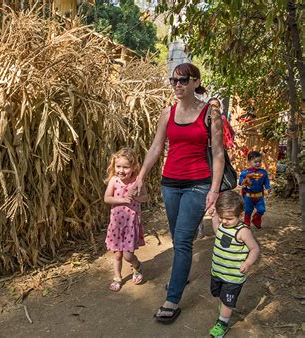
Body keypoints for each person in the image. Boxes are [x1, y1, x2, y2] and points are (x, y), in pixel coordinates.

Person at [134, 63, 225, 323]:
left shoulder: (210, 113)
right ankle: (181, 275)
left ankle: (172, 300)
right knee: (177, 236)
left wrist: (215, 189)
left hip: (198, 183)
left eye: (183, 80)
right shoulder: (168, 112)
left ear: (196, 82)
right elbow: (156, 147)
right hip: (170, 183)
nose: (177, 84)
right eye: (173, 80)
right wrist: (141, 176)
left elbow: (218, 153)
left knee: (183, 240)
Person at [209, 190, 260, 337]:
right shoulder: (223, 224)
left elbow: (255, 248)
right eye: (222, 217)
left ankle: (222, 323)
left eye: (229, 218)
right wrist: (214, 219)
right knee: (217, 293)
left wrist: (248, 263)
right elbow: (218, 232)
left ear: (240, 215)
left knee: (227, 302)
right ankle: (225, 305)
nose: (224, 221)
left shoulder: (243, 231)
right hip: (218, 271)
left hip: (233, 276)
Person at [104, 147, 148, 292]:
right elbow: (107, 198)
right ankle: (117, 277)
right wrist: (122, 199)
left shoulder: (136, 182)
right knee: (117, 254)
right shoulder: (114, 181)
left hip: (130, 224)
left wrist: (136, 197)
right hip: (116, 224)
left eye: (126, 167)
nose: (121, 170)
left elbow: (145, 197)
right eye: (118, 166)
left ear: (133, 167)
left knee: (128, 255)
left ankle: (137, 266)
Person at [239, 151, 270, 228]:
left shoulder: (263, 173)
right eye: (255, 162)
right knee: (248, 211)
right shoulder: (245, 173)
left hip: (259, 196)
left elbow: (266, 181)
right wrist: (246, 181)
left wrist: (268, 187)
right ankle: (247, 223)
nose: (258, 163)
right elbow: (240, 183)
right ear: (249, 162)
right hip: (248, 196)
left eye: (259, 162)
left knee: (261, 210)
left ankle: (256, 219)